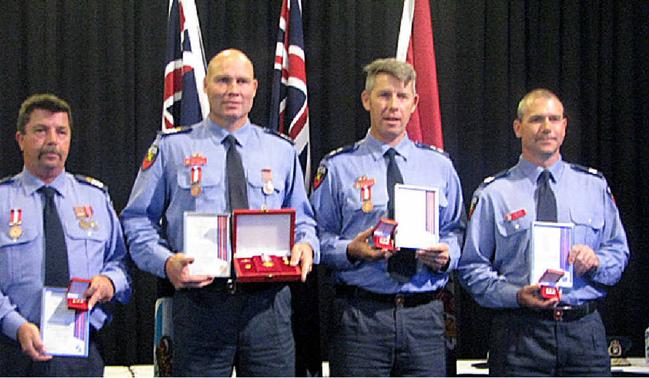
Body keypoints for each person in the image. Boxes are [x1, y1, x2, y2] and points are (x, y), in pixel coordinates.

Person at [120, 48, 318, 377]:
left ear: (255, 87)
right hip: (201, 304)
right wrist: (166, 262)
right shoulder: (172, 148)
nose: (233, 90)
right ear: (206, 85)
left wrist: (306, 246)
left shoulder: (281, 150)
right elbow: (137, 220)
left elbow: (305, 221)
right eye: (223, 80)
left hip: (268, 306)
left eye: (241, 81)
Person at [310, 58, 465, 376]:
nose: (393, 106)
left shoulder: (439, 166)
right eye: (384, 95)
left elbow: (456, 229)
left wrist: (449, 253)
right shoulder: (339, 167)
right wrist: (350, 250)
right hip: (360, 317)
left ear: (414, 103)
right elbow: (314, 236)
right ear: (366, 100)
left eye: (402, 96)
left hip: (424, 317)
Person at [458, 88, 630, 376]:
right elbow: (470, 267)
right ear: (518, 128)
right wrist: (515, 295)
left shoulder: (594, 186)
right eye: (537, 119)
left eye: (554, 119)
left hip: (583, 334)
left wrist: (597, 262)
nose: (547, 127)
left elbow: (618, 252)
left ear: (564, 127)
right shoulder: (494, 193)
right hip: (519, 335)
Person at [0, 94, 131, 376]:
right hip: (12, 349)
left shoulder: (95, 198)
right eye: (40, 130)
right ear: (21, 139)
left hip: (81, 351)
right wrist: (16, 325)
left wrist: (109, 282)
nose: (52, 140)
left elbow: (120, 265)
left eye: (61, 132)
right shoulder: (2, 201)